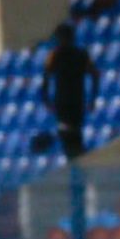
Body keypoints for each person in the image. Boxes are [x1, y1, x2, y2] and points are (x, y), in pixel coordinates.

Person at [40, 22, 98, 159]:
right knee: (73, 135)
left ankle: (76, 162)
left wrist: (46, 100)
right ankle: (77, 161)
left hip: (64, 102)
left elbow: (45, 79)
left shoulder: (56, 55)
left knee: (70, 136)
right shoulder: (81, 54)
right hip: (76, 101)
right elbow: (95, 75)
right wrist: (92, 99)